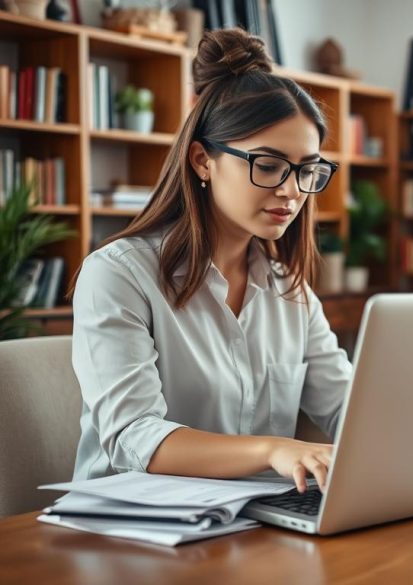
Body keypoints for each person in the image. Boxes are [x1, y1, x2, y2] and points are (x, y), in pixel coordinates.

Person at [69, 29, 349, 494]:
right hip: (128, 528)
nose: (292, 190)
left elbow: (347, 409)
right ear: (202, 161)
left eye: (307, 170)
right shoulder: (118, 275)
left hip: (247, 525)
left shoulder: (290, 290)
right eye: (269, 164)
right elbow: (135, 436)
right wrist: (272, 450)